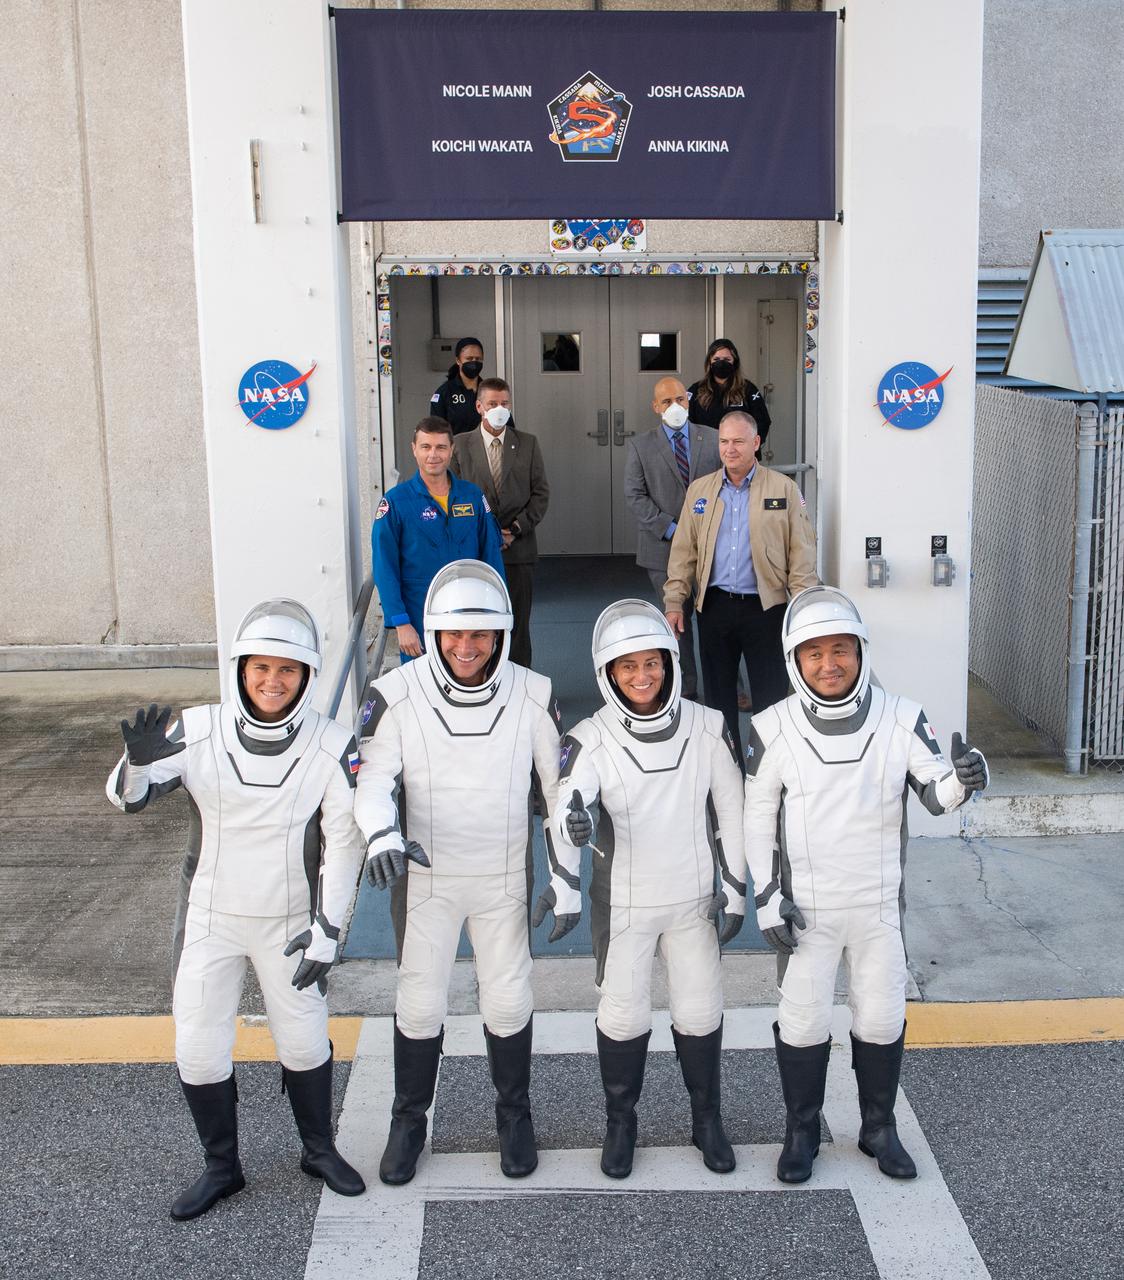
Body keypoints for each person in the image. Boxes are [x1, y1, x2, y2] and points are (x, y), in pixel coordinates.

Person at [105, 600, 366, 1220]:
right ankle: (221, 1167)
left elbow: (345, 844)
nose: (273, 681)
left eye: (287, 669)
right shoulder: (198, 729)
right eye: (260, 667)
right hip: (210, 919)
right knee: (198, 1045)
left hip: (291, 924)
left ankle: (319, 1150)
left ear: (307, 675)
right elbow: (126, 799)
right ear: (241, 668)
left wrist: (328, 930)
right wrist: (135, 765)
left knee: (304, 1042)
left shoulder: (333, 745)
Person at [743, 586, 990, 1186]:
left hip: (878, 908)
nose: (829, 664)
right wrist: (767, 898)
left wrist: (964, 779)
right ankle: (802, 1132)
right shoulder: (770, 727)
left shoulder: (902, 716)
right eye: (814, 652)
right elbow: (756, 819)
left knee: (880, 1019)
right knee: (803, 1023)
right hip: (806, 913)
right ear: (794, 659)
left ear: (861, 651)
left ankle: (879, 1128)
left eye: (841, 650)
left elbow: (935, 793)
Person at [355, 560, 561, 1186]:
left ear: (500, 634)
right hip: (428, 877)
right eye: (454, 634)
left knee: (508, 997)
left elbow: (559, 791)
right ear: (434, 631)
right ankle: (408, 1122)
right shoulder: (394, 693)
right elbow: (372, 780)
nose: (466, 647)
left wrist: (566, 872)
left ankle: (514, 1116)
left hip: (503, 875)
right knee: (419, 1001)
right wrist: (381, 833)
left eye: (480, 634)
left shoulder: (534, 692)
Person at [535, 600, 747, 1180]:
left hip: (693, 899)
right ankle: (621, 1123)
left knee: (700, 1010)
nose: (642, 676)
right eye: (627, 666)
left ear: (670, 663)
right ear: (608, 672)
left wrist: (734, 887)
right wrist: (570, 851)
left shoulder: (708, 726)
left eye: (652, 663)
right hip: (624, 904)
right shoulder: (588, 738)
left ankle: (707, 1120)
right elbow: (568, 806)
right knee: (623, 1015)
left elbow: (733, 813)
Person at [664, 409, 818, 764]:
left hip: (766, 609)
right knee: (719, 701)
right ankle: (727, 769)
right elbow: (684, 552)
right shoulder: (700, 491)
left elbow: (801, 553)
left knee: (771, 698)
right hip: (715, 608)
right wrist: (675, 600)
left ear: (756, 443)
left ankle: (770, 769)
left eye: (738, 441)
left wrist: (803, 609)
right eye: (723, 441)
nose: (729, 449)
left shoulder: (783, 489)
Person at [373, 416, 505, 661]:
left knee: (469, 677)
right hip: (419, 617)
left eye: (441, 447)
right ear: (414, 449)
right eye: (426, 447)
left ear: (451, 450)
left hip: (470, 613)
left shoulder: (472, 496)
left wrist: (497, 613)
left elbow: (491, 558)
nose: (433, 454)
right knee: (420, 681)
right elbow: (384, 566)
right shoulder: (395, 502)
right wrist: (401, 622)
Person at [623, 376, 720, 700]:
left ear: (688, 401)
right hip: (662, 548)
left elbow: (729, 485)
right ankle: (686, 687)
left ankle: (729, 686)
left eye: (679, 399)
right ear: (655, 407)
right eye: (666, 401)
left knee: (717, 621)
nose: (674, 406)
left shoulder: (713, 438)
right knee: (678, 623)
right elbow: (635, 495)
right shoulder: (641, 446)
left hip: (712, 547)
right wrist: (673, 529)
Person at [451, 377, 550, 667]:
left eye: (504, 403)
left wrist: (516, 529)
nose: (499, 409)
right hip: (476, 552)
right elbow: (453, 497)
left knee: (517, 624)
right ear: (479, 406)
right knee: (478, 624)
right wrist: (489, 534)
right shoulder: (459, 445)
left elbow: (540, 493)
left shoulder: (528, 443)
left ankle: (519, 680)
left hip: (518, 550)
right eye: (492, 403)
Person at [686, 338, 771, 446]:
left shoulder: (748, 389)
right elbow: (686, 424)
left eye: (727, 359)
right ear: (709, 362)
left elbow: (762, 422)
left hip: (739, 451)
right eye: (716, 359)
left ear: (735, 362)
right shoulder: (696, 390)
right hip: (706, 451)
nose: (721, 363)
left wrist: (750, 447)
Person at [430, 336, 486, 436]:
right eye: (469, 358)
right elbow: (436, 431)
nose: (474, 362)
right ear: (458, 360)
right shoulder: (444, 393)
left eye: (478, 359)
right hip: (456, 445)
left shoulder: (490, 390)